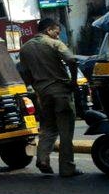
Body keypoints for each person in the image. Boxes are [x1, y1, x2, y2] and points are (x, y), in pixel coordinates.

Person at [19, 18, 82, 178]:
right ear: (48, 30)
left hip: (43, 93)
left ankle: (42, 159)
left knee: (48, 127)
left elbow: (25, 75)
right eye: (57, 32)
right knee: (65, 130)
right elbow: (72, 61)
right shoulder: (54, 44)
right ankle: (67, 168)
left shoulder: (25, 48)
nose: (58, 36)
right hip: (61, 91)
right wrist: (73, 82)